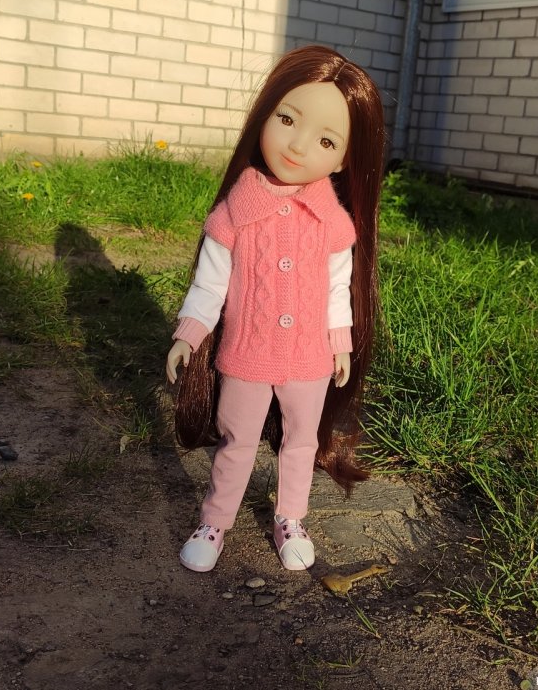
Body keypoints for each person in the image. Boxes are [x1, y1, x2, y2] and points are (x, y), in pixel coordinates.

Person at [165, 45, 385, 573]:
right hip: (246, 353)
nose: (298, 145)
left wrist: (339, 343)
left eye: (326, 140)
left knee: (301, 442)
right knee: (236, 440)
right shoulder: (234, 214)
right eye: (287, 119)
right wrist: (188, 334)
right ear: (263, 114)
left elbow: (337, 289)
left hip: (309, 358)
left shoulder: (332, 223)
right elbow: (210, 283)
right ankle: (215, 521)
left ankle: (291, 518)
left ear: (345, 159)